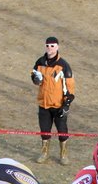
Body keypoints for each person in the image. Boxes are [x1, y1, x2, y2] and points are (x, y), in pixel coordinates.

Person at [31, 37, 75, 165]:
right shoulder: (40, 62)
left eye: (52, 46)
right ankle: (44, 153)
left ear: (57, 47)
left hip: (58, 105)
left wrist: (66, 104)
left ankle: (63, 154)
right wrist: (35, 79)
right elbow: (34, 76)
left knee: (62, 130)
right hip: (43, 104)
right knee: (44, 131)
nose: (49, 48)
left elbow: (69, 85)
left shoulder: (63, 65)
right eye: (48, 45)